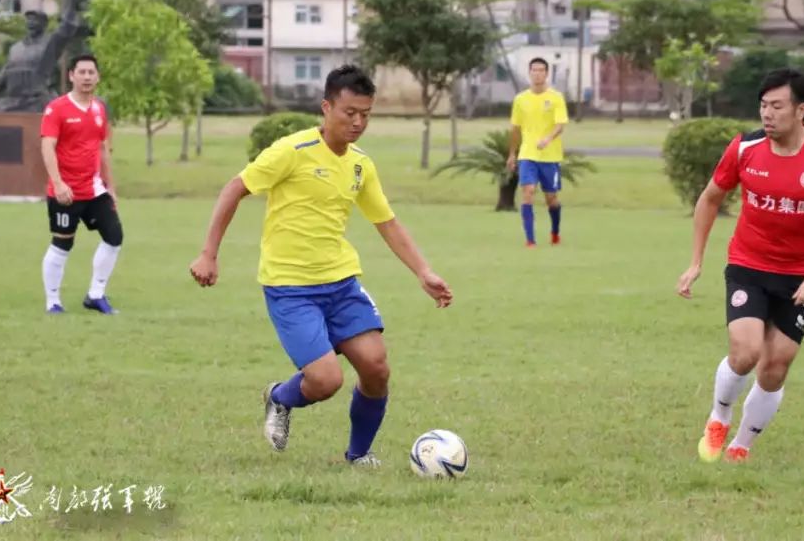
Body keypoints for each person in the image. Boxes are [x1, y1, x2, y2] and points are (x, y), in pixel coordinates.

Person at [189, 65, 453, 466]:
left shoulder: (361, 164)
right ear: (326, 107)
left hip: (341, 283)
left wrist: (423, 271)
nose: (358, 122)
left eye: (366, 114)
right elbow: (234, 189)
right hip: (289, 287)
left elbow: (387, 222)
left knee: (376, 368)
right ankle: (279, 397)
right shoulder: (290, 152)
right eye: (350, 112)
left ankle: (359, 454)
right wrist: (209, 253)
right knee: (326, 380)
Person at [676, 69, 804, 463]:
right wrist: (696, 262)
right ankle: (718, 417)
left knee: (775, 366)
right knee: (746, 352)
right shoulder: (744, 148)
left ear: (801, 109)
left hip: (801, 277)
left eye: (776, 106)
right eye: (763, 105)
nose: (767, 113)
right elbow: (709, 200)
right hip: (748, 265)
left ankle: (741, 445)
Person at [40, 54, 122, 315]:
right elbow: (47, 146)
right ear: (71, 76)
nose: (87, 77)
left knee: (114, 237)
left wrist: (111, 187)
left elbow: (102, 149)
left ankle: (95, 294)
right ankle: (52, 300)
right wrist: (59, 183)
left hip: (94, 189)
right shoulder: (57, 109)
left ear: (97, 77)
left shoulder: (99, 109)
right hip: (65, 192)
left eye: (91, 73)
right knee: (63, 244)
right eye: (82, 72)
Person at [506, 58, 569, 246]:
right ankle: (530, 240)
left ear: (547, 73)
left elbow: (560, 125)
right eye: (534, 70)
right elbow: (515, 129)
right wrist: (512, 154)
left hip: (550, 156)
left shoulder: (556, 98)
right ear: (529, 72)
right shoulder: (520, 99)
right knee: (528, 191)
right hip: (527, 154)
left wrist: (548, 139)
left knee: (551, 198)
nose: (537, 73)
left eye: (541, 70)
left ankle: (555, 232)